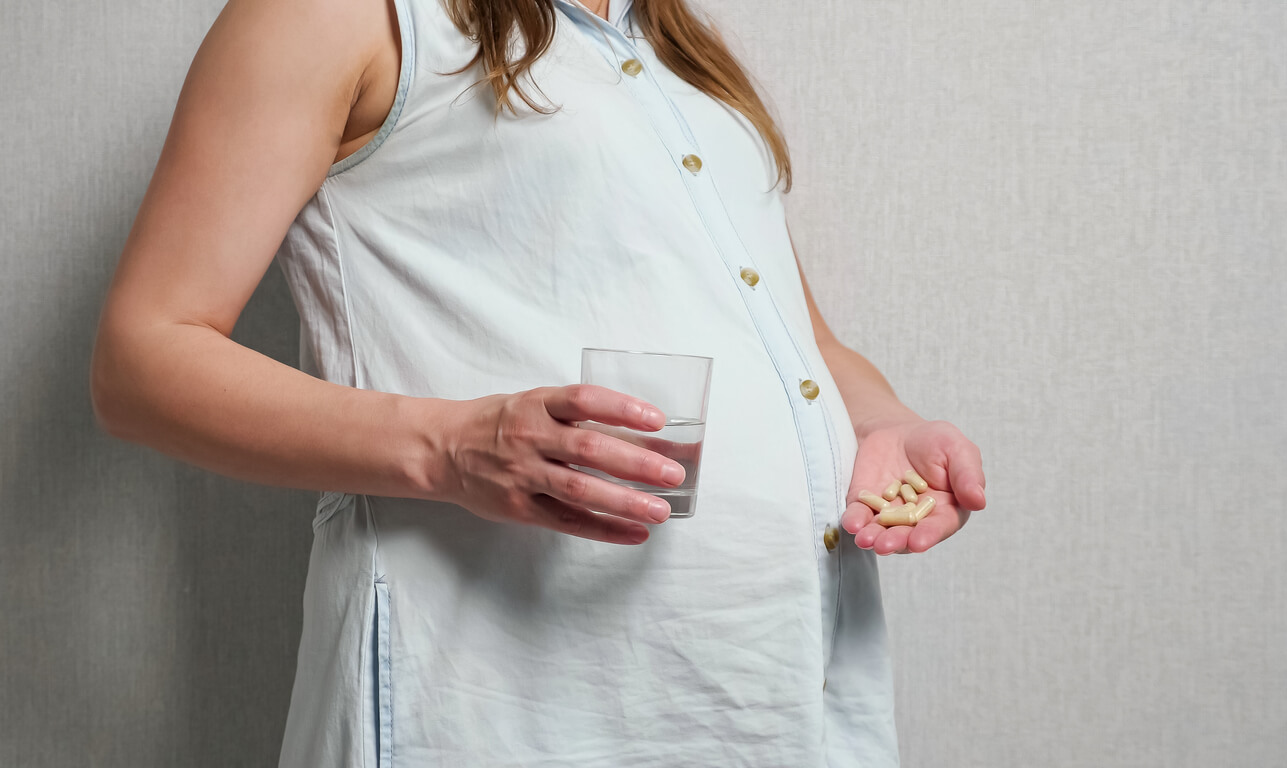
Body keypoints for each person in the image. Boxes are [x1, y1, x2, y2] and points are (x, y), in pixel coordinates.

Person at [89, 0, 988, 764]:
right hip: (509, 697)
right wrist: (450, 447)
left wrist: (880, 425)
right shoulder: (338, 13)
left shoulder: (671, 46)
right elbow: (141, 359)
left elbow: (798, 339)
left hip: (777, 683)